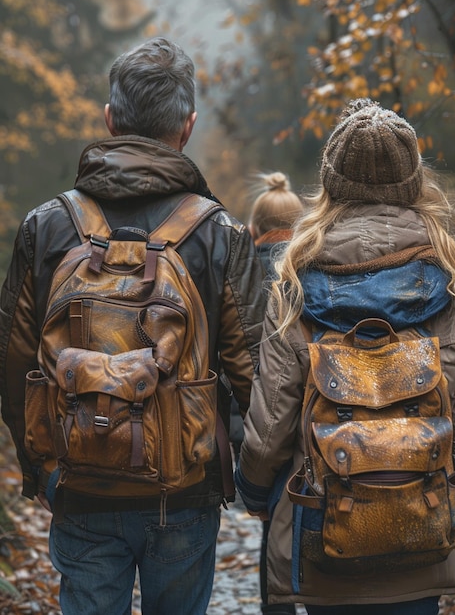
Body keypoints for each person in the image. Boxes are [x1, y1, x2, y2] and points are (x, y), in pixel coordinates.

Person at [0, 36, 265, 615]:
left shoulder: (46, 227)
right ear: (187, 127)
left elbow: (15, 360)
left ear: (110, 119)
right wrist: (257, 483)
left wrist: (41, 470)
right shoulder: (219, 234)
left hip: (80, 478)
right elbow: (254, 373)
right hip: (184, 489)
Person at [235, 98, 455, 614]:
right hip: (423, 540)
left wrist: (254, 491)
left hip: (326, 530)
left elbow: (270, 424)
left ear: (331, 183)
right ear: (413, 184)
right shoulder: (449, 282)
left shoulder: (295, 283)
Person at [247, 171, 303, 615]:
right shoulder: (310, 271)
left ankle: (277, 605)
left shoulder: (241, 270)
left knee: (273, 530)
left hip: (259, 424)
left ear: (252, 229)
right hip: (311, 421)